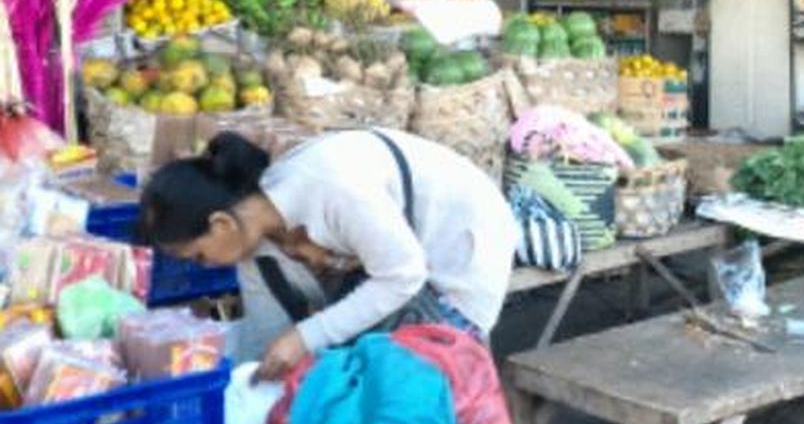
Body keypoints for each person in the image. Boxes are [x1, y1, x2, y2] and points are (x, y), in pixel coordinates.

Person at [137, 129, 519, 380]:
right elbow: (261, 326)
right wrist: (235, 374)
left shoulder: (332, 187)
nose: (203, 265)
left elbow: (403, 275)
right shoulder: (255, 228)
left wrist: (305, 337)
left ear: (220, 224)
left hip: (458, 257)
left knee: (400, 391)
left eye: (198, 256)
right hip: (392, 265)